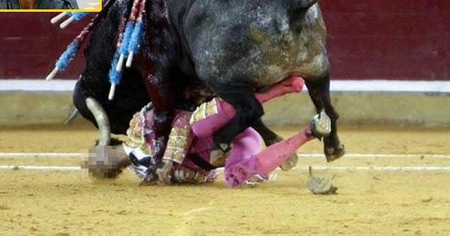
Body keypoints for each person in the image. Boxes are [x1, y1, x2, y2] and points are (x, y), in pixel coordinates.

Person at [85, 76, 332, 188]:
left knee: (196, 124)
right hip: (220, 150)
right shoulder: (141, 173)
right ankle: (309, 133)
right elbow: (195, 178)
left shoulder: (138, 125)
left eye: (93, 158)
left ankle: (279, 89)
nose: (92, 164)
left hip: (209, 126)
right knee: (235, 178)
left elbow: (180, 120)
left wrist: (169, 162)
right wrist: (182, 173)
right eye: (94, 165)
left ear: (106, 148)